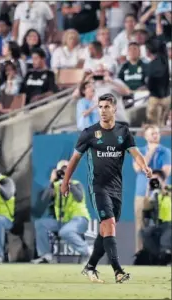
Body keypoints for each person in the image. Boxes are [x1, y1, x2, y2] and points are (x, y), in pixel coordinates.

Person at [60, 93, 152, 284]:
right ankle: (118, 271)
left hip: (117, 188)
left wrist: (144, 166)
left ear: (114, 109)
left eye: (106, 107)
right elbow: (74, 159)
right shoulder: (89, 133)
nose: (102, 111)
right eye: (100, 107)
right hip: (98, 187)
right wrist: (65, 181)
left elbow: (135, 153)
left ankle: (90, 266)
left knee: (105, 231)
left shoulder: (123, 132)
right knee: (108, 224)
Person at [32, 160, 91, 264]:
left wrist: (67, 182)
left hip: (79, 219)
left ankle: (87, 252)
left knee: (65, 231)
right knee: (40, 224)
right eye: (62, 170)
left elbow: (79, 197)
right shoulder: (55, 186)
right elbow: (43, 200)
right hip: (63, 221)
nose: (65, 172)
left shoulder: (76, 184)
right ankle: (46, 255)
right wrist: (51, 182)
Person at [133, 125, 171, 252]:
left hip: (161, 194)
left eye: (157, 133)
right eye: (153, 133)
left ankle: (162, 254)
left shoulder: (165, 151)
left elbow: (165, 172)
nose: (156, 135)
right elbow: (138, 168)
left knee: (164, 224)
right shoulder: (139, 151)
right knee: (140, 224)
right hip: (141, 193)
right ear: (146, 136)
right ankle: (140, 254)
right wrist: (150, 152)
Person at [140, 170, 172, 263]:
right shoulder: (154, 194)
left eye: (157, 179)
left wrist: (162, 189)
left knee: (165, 240)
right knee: (145, 233)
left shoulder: (169, 189)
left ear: (163, 180)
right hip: (159, 224)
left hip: (170, 224)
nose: (155, 182)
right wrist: (148, 190)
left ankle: (165, 254)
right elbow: (146, 208)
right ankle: (159, 257)